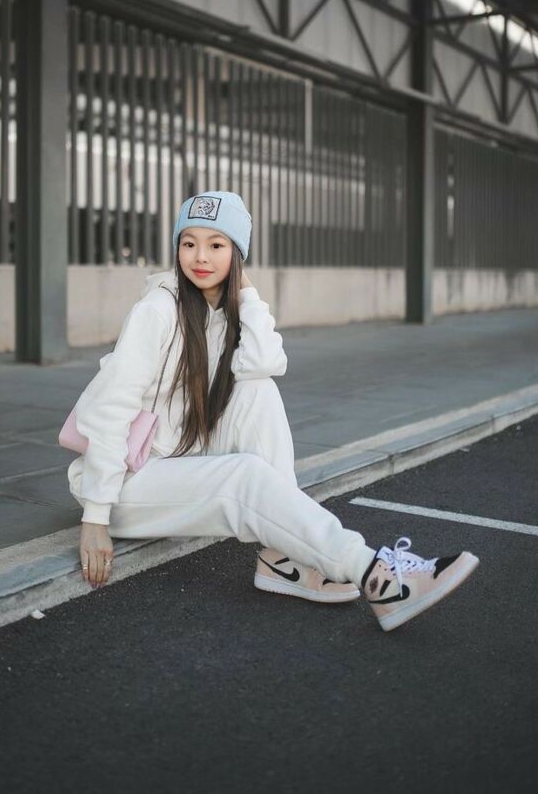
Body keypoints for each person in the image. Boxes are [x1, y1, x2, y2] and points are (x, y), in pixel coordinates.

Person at [67, 190, 479, 631]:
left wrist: (246, 294)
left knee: (257, 391)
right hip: (125, 483)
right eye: (188, 243)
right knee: (243, 477)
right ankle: (376, 574)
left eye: (216, 244)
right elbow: (111, 409)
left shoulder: (220, 310)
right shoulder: (157, 310)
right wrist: (95, 516)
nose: (200, 256)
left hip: (176, 457)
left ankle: (283, 559)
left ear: (238, 254)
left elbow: (266, 362)